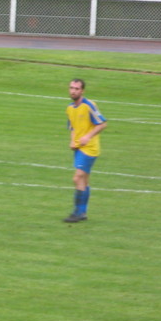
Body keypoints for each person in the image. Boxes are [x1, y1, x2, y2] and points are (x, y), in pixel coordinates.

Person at [63, 78, 107, 223]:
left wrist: (87, 137)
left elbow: (102, 124)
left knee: (77, 178)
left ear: (82, 91)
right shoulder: (69, 108)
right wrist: (73, 141)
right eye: (71, 88)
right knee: (84, 181)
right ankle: (83, 213)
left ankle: (78, 212)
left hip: (90, 149)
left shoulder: (89, 105)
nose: (73, 91)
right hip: (78, 148)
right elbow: (73, 128)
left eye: (76, 88)